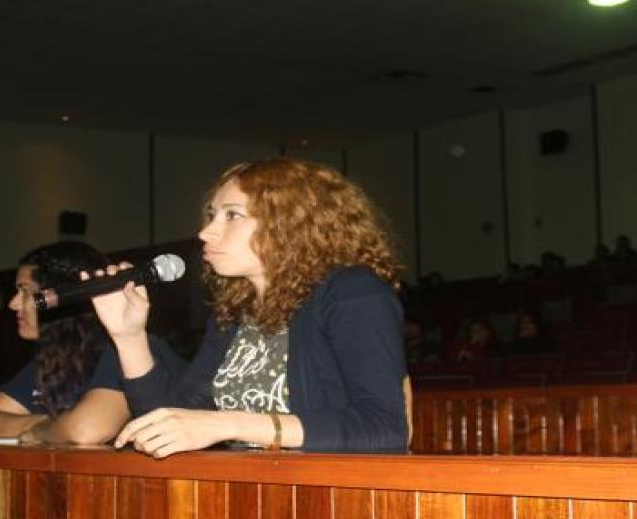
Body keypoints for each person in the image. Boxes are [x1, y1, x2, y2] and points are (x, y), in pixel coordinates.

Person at [90, 158, 410, 458]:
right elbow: (169, 423)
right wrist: (129, 337)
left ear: (292, 223)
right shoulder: (236, 313)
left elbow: (385, 430)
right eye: (212, 214)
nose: (206, 232)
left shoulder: (351, 292)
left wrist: (229, 423)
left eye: (232, 215)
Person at [0, 241, 132, 445]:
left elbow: (87, 430)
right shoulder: (54, 358)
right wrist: (47, 426)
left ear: (62, 296)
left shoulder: (124, 350)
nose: (13, 304)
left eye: (25, 291)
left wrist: (41, 431)